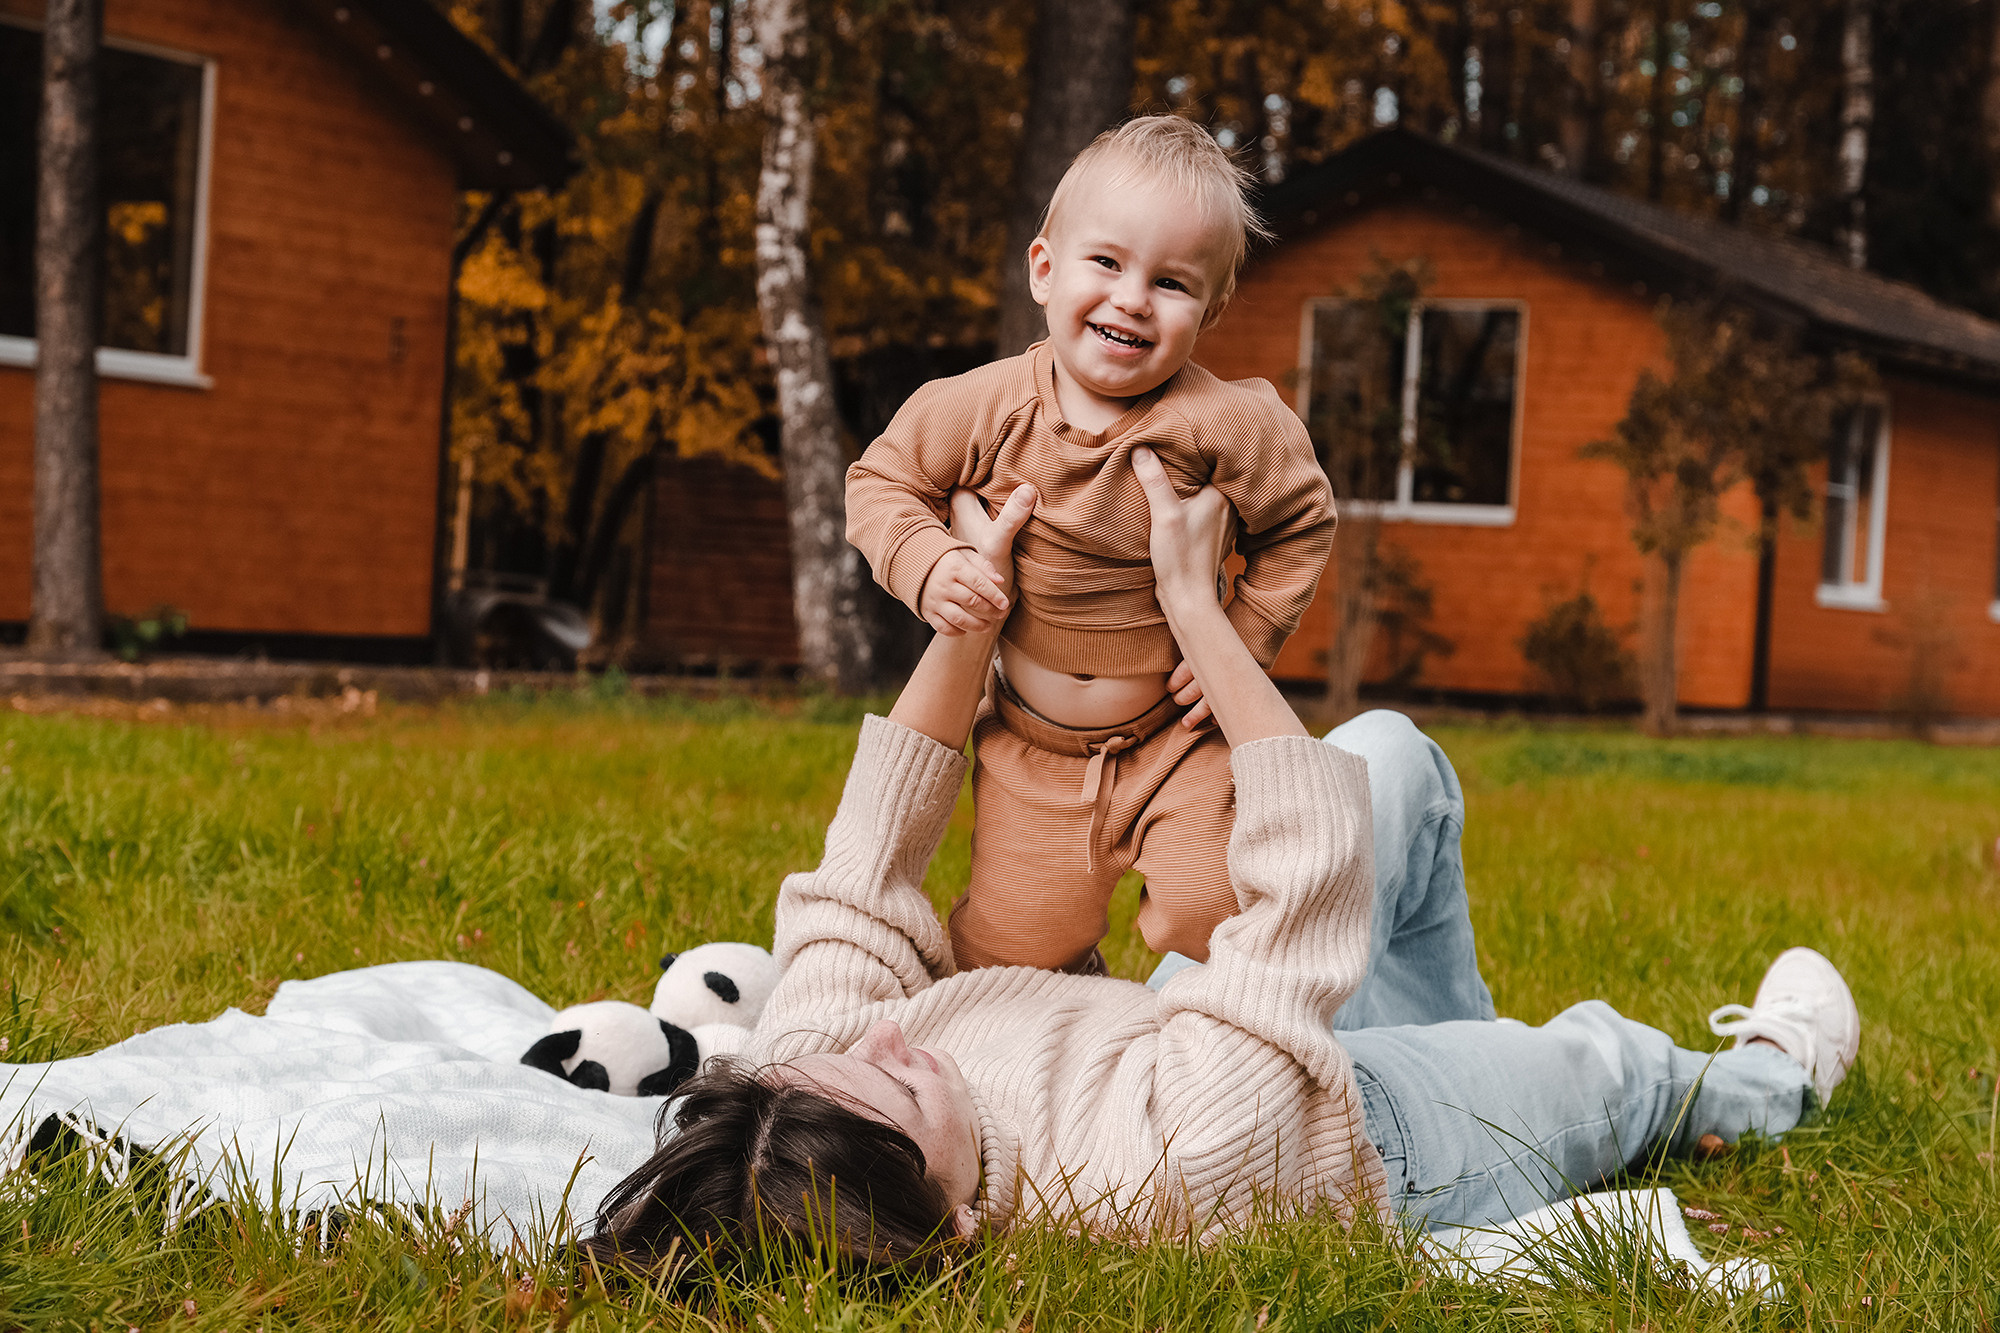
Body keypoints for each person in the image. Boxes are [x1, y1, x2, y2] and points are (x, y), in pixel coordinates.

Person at [586, 456, 1860, 1273]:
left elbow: (868, 861)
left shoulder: (823, 1092)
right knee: (1607, 1063)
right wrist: (1196, 607)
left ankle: (1469, 1042)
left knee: (1384, 758)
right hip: (1365, 1139)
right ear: (956, 1216)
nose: (889, 1046)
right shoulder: (1168, 1171)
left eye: (843, 1054)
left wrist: (969, 612)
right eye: (908, 1096)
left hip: (1196, 1030)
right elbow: (1295, 891)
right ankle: (1766, 1079)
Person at [844, 115, 1335, 973]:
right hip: (1032, 751)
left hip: (1174, 740)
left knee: (1213, 912)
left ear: (1211, 308)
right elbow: (879, 482)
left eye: (1172, 282)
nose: (1132, 297)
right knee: (1006, 956)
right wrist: (931, 565)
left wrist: (1247, 639)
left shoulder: (1228, 422)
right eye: (1105, 262)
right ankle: (1076, 995)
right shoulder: (981, 406)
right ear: (1045, 268)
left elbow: (1301, 521)